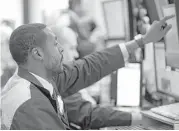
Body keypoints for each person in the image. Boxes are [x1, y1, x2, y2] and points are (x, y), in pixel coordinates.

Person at [1, 15, 174, 129]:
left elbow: (87, 67)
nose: (61, 49)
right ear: (37, 54)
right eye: (55, 44)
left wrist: (142, 41)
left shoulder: (39, 78)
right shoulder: (29, 105)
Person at [51, 26, 134, 129]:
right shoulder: (56, 81)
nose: (76, 54)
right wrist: (134, 118)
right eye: (72, 48)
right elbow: (88, 115)